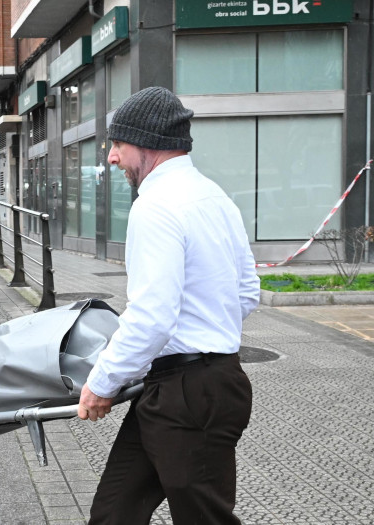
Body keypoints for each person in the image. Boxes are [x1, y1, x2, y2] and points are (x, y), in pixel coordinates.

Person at [77, 86, 259, 525]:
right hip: (187, 386)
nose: (112, 158)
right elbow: (247, 292)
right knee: (114, 513)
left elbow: (151, 317)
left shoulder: (155, 206)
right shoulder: (214, 196)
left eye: (118, 144)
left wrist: (102, 382)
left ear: (145, 143)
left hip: (187, 395)